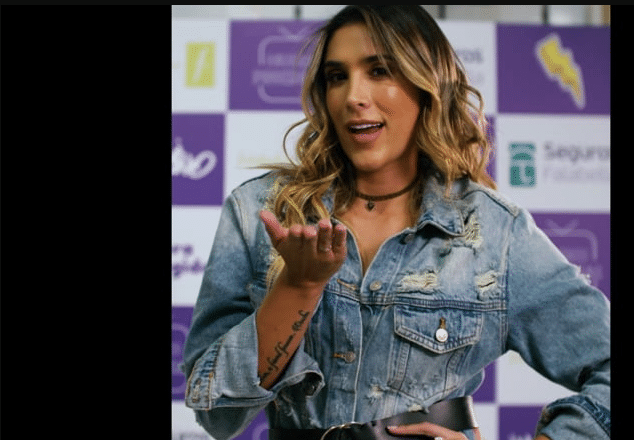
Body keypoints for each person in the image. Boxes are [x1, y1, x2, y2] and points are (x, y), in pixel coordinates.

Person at [181, 5, 610, 440]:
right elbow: (214, 412)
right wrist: (297, 287)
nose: (353, 96)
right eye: (337, 77)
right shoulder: (261, 212)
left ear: (428, 85)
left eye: (380, 71)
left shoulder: (495, 234)